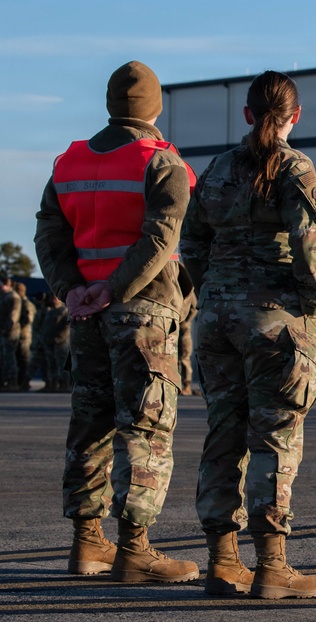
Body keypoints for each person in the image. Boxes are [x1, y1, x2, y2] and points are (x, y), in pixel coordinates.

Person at [34, 61, 199, 582]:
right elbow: (161, 237)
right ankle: (134, 549)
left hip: (87, 314)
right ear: (157, 108)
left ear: (109, 104)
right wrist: (117, 287)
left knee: (90, 424)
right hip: (143, 312)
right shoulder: (162, 162)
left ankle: (87, 544)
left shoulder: (69, 161)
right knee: (145, 429)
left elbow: (48, 235)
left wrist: (72, 289)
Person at [181, 70, 316, 599]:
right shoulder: (296, 167)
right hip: (275, 320)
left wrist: (217, 293)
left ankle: (223, 561)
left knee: (224, 433)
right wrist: (311, 311)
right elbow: (309, 249)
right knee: (274, 437)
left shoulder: (218, 168)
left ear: (247, 114)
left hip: (218, 321)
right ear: (295, 116)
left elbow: (190, 242)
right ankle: (272, 566)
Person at [0, 274, 22, 391]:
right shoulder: (4, 296)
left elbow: (13, 316)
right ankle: (4, 381)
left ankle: (12, 382)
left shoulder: (13, 297)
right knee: (3, 358)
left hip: (10, 333)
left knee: (9, 358)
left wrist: (7, 329)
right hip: (3, 331)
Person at [178, 286, 200, 396]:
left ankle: (186, 386)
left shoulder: (184, 284)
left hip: (182, 327)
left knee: (184, 355)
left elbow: (194, 307)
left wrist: (185, 321)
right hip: (170, 324)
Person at [14, 282, 34, 391]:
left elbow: (28, 319)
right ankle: (19, 382)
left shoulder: (26, 303)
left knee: (24, 360)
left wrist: (18, 325)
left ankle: (24, 383)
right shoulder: (19, 302)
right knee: (18, 359)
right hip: (17, 335)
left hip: (24, 336)